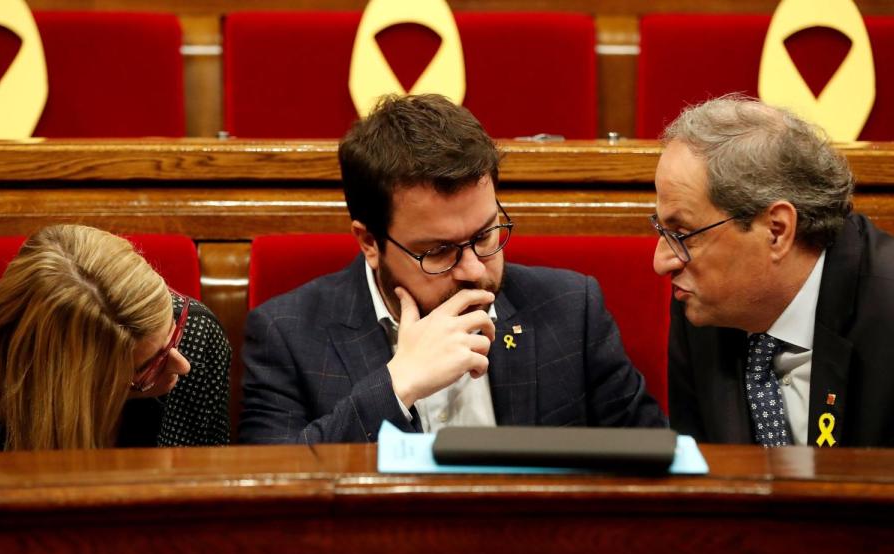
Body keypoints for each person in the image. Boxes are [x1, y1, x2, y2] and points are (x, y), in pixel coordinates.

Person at [240, 94, 666, 444]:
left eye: (485, 235)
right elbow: (270, 494)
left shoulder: (573, 312)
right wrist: (396, 385)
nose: (473, 270)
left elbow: (654, 462)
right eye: (439, 251)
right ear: (370, 242)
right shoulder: (287, 334)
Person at [652, 95, 894, 447]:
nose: (661, 261)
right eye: (662, 230)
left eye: (682, 234)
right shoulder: (702, 305)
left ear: (777, 230)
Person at [0, 224, 231, 454]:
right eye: (147, 368)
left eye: (174, 329)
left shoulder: (199, 338)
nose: (181, 365)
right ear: (70, 383)